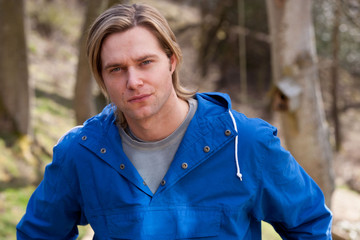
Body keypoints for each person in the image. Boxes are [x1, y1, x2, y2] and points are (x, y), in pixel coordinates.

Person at [17, 3, 332, 239]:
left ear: (171, 60)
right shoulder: (81, 152)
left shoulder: (245, 143)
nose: (133, 81)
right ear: (102, 78)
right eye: (116, 69)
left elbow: (310, 224)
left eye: (145, 62)